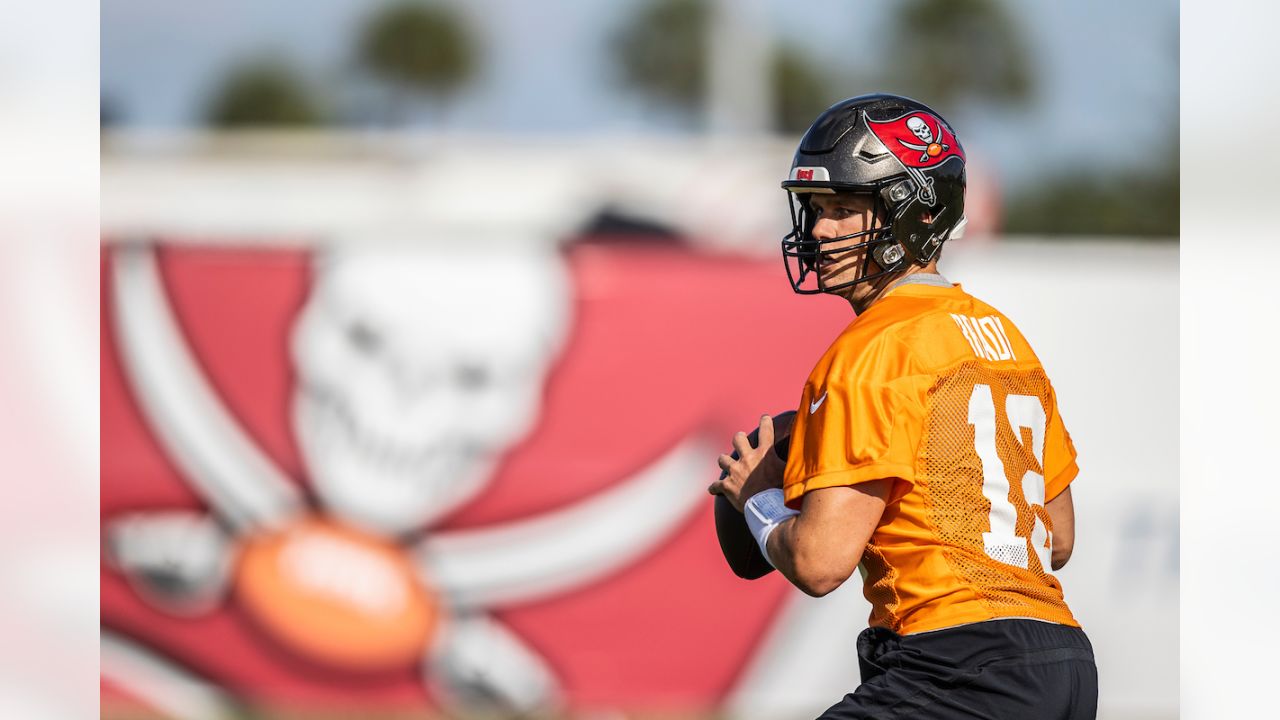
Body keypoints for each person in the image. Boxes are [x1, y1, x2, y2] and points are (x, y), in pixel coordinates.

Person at [709, 94, 1098, 719]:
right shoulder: (1003, 337)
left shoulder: (871, 349)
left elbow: (817, 564)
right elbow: (1058, 540)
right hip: (1062, 663)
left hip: (956, 667)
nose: (819, 230)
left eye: (843, 211)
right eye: (814, 210)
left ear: (914, 214)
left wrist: (758, 497)